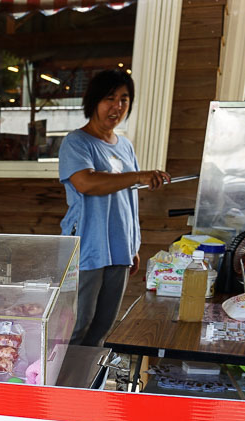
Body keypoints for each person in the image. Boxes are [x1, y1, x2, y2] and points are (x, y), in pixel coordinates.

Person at [59, 68, 169, 348]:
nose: (117, 107)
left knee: (103, 326)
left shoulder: (125, 146)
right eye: (110, 98)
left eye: (124, 99)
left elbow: (128, 201)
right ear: (93, 101)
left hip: (119, 250)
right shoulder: (76, 142)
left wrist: (134, 245)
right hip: (87, 248)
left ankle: (83, 385)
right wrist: (138, 176)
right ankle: (56, 384)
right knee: (77, 324)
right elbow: (86, 182)